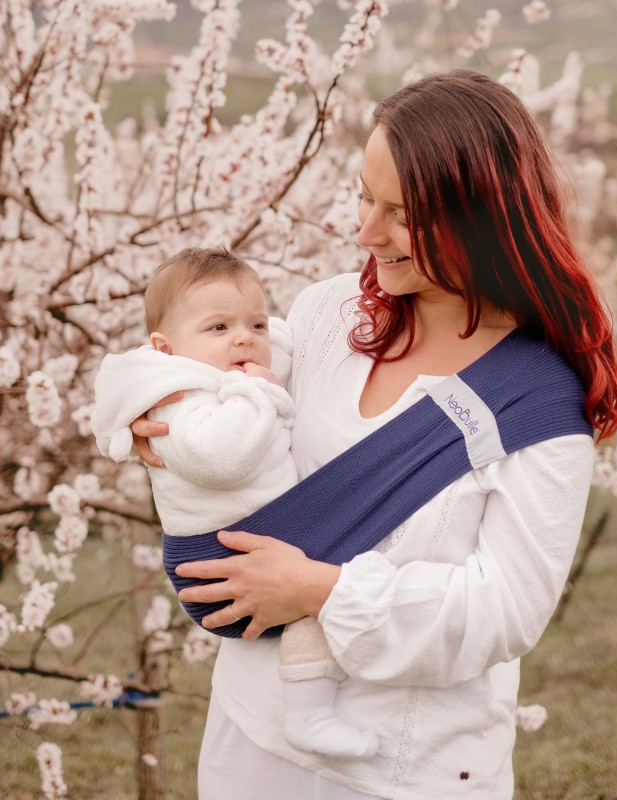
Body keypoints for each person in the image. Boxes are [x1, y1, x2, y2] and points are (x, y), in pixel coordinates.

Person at [132, 70, 617, 800]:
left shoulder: (534, 400)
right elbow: (202, 373)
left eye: (400, 213)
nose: (365, 232)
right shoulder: (324, 318)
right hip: (253, 732)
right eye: (364, 198)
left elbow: (505, 610)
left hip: (404, 767)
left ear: (481, 218)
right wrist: (144, 411)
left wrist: (322, 591)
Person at [90, 247, 379, 759]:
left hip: (255, 538)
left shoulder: (223, 367)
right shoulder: (180, 399)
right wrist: (256, 392)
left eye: (255, 325)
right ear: (165, 347)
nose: (244, 338)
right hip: (218, 559)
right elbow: (223, 459)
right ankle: (308, 714)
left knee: (323, 596)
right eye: (218, 328)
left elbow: (288, 344)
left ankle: (314, 708)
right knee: (324, 597)